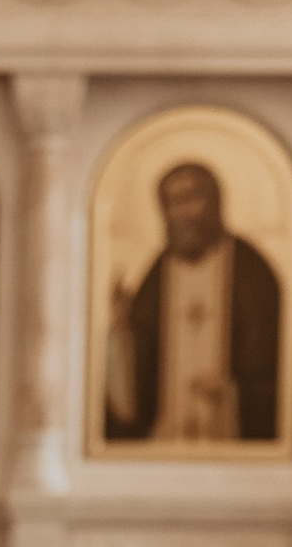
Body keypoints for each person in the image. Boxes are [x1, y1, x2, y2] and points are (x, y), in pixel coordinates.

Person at [102, 158, 282, 447]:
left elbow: (272, 362)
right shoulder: (157, 273)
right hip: (166, 433)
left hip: (231, 433)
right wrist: (122, 329)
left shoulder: (251, 269)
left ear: (214, 202)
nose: (182, 212)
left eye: (192, 198)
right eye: (172, 202)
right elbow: (138, 359)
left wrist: (232, 392)